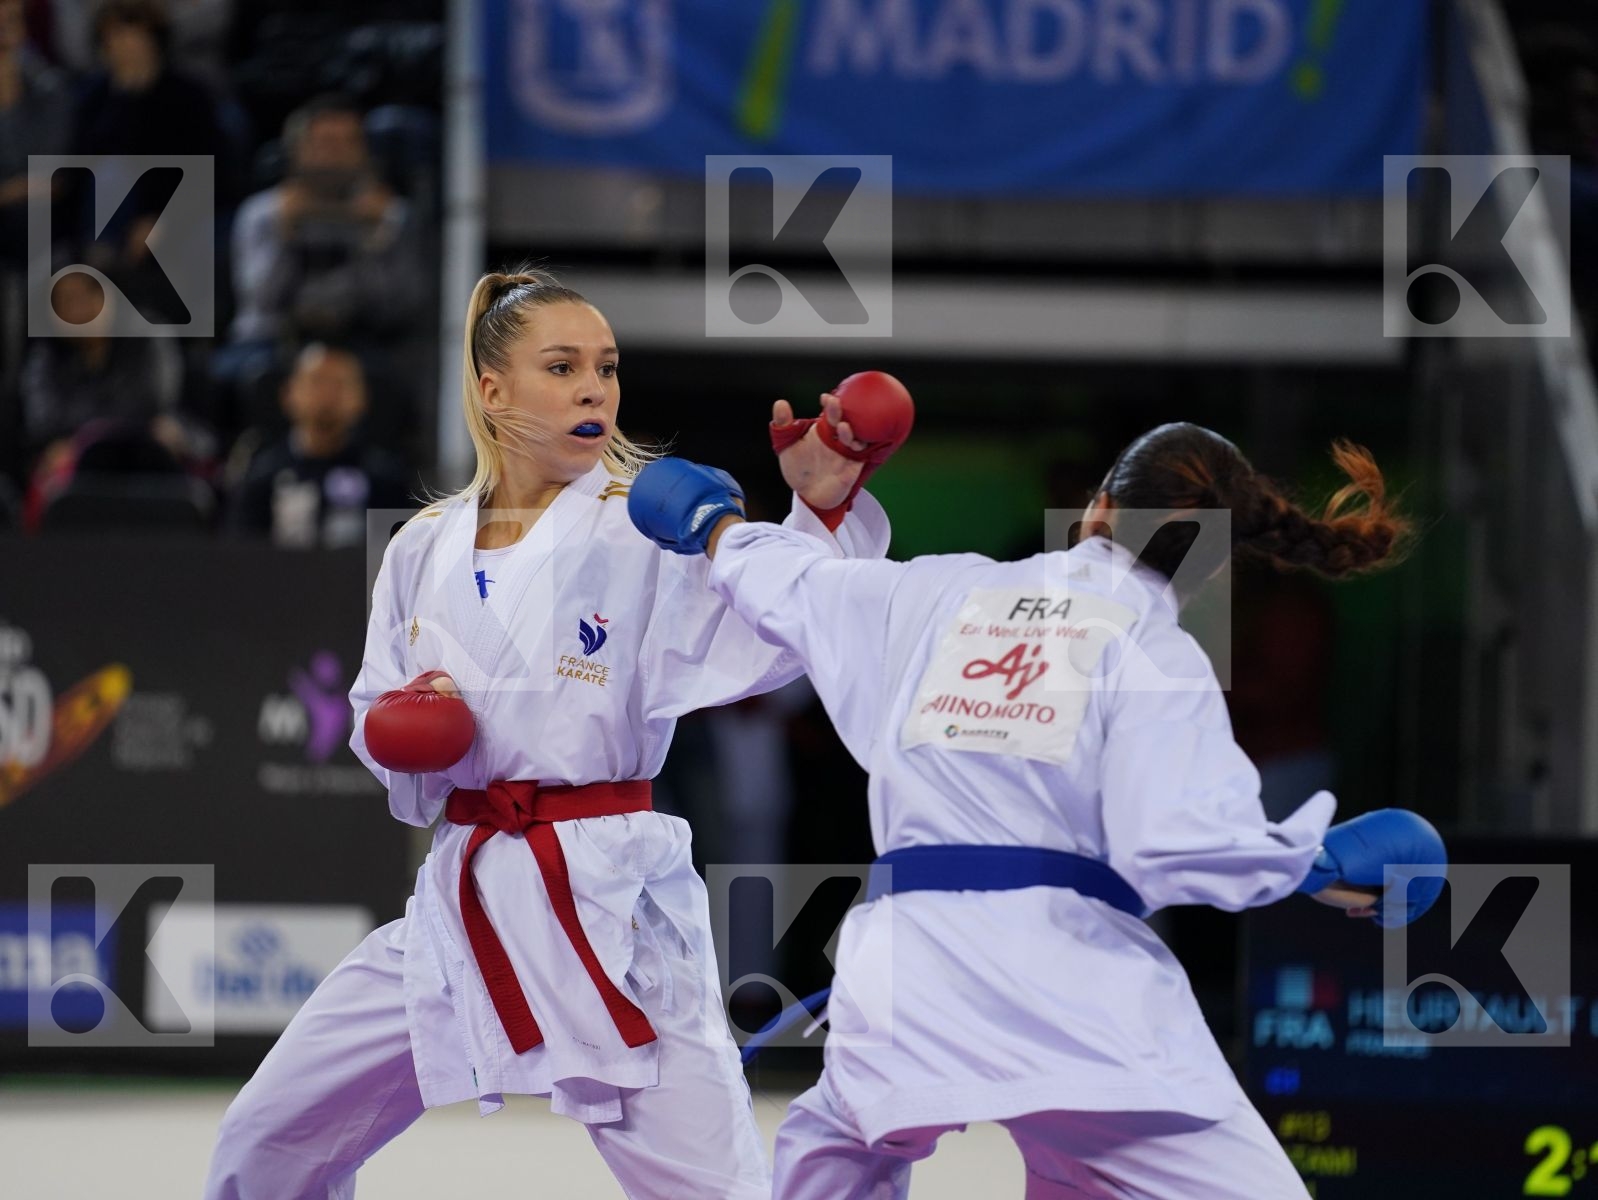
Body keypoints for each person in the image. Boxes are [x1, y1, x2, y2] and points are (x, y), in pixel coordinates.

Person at [201, 267, 898, 1200]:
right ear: (492, 391)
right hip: (464, 903)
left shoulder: (647, 524)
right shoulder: (422, 545)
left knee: (717, 1191)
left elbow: (774, 637)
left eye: (605, 369)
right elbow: (375, 709)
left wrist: (819, 513)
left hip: (607, 906)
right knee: (269, 1138)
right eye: (562, 366)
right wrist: (408, 730)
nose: (592, 390)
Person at [628, 422, 1447, 1200]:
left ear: (1096, 509)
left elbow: (794, 584)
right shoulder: (1154, 649)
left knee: (841, 1140)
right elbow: (1173, 844)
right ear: (1212, 570)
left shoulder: (942, 590)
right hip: (1075, 1000)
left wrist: (714, 523)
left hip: (909, 983)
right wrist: (1317, 865)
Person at [228, 342, 412, 548]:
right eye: (317, 382)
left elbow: (398, 561)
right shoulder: (263, 473)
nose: (327, 395)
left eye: (339, 384)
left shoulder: (385, 478)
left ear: (361, 398)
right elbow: (241, 554)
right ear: (289, 395)